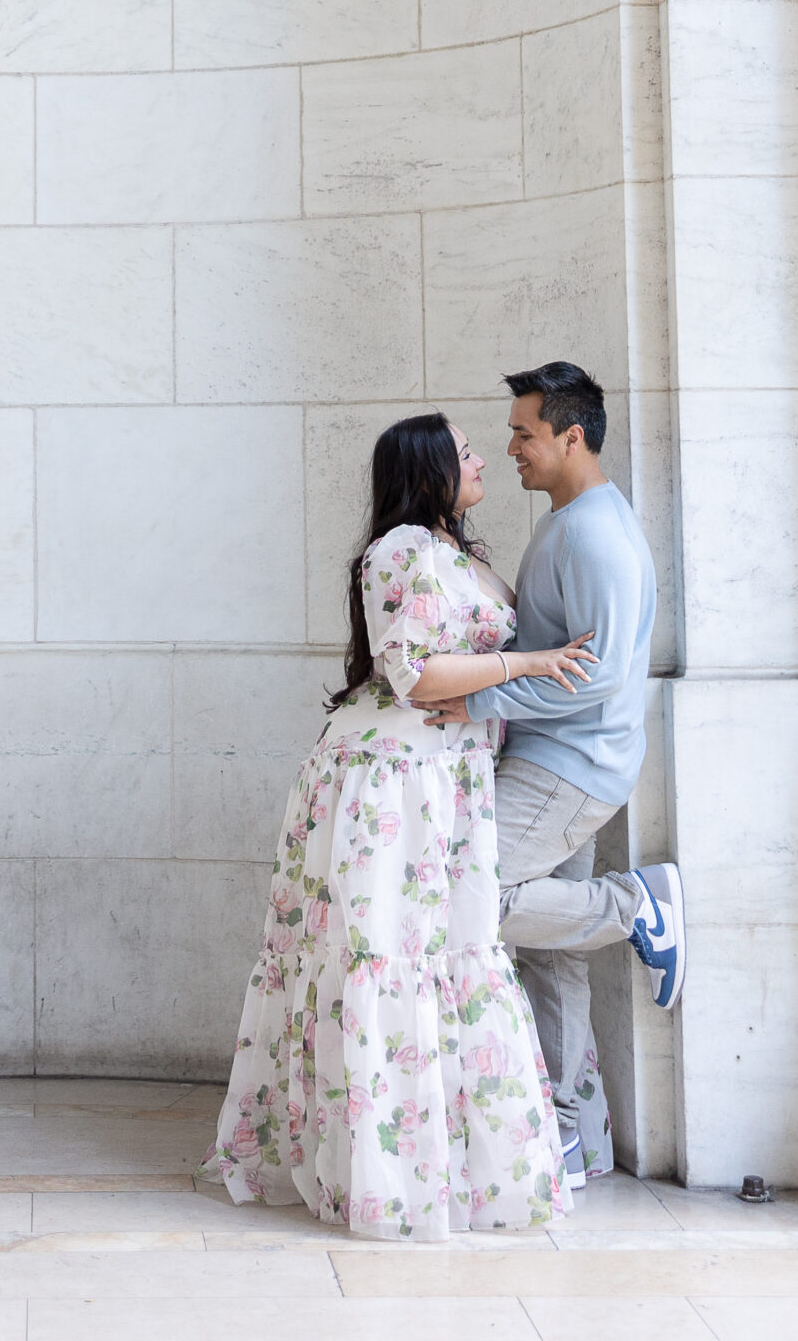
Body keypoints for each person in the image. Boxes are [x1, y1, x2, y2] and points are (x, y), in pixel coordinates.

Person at [203, 410, 599, 1239]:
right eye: (466, 452)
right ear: (429, 470)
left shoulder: (457, 552)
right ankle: (384, 1178)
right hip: (391, 785)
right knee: (388, 958)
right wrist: (528, 663)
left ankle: (439, 1167)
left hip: (445, 780)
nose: (482, 459)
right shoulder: (400, 551)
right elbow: (413, 675)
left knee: (448, 955)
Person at [424, 363, 685, 1193]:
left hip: (568, 768)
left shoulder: (594, 535)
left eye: (524, 433)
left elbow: (599, 676)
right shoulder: (572, 522)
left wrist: (480, 697)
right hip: (563, 760)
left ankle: (636, 907)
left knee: (469, 896)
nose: (511, 448)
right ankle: (570, 1137)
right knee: (551, 952)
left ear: (573, 437)